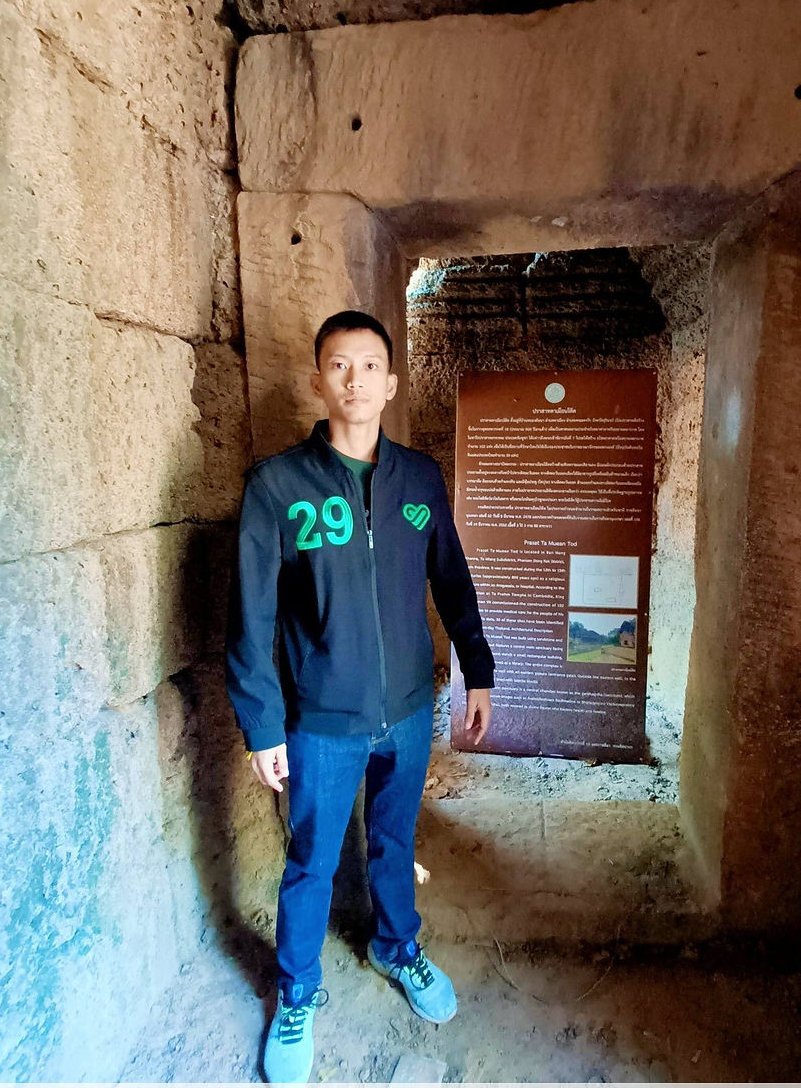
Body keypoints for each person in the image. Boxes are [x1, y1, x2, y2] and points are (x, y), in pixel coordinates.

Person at [225, 310, 494, 1083]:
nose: (355, 379)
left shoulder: (419, 479)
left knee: (395, 840)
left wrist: (477, 669)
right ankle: (297, 990)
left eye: (370, 365)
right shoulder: (278, 488)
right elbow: (249, 618)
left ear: (391, 383)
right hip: (320, 721)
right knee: (311, 858)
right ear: (319, 381)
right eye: (339, 365)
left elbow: (452, 580)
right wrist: (262, 724)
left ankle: (396, 946)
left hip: (406, 710)